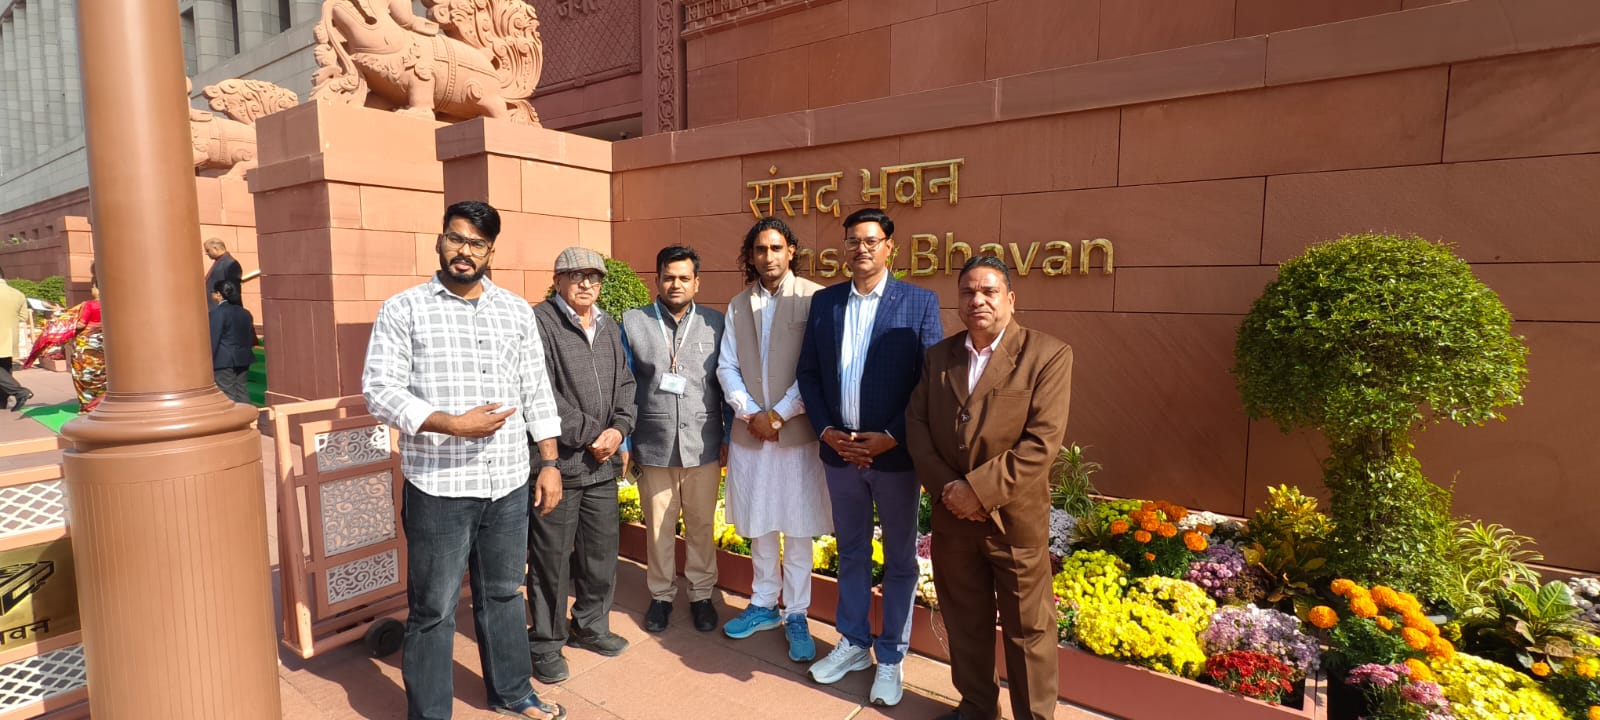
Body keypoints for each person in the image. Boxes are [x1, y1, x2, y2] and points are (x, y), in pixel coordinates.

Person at [362, 200, 567, 720]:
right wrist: (451, 424)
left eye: (477, 243)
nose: (465, 251)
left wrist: (549, 463)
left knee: (503, 593)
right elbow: (379, 390)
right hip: (440, 486)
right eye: (456, 238)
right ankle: (430, 712)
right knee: (433, 608)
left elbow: (536, 390)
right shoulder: (404, 309)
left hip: (507, 482)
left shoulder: (516, 311)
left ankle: (512, 692)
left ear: (490, 252)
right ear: (440, 240)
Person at [905, 256, 1073, 720]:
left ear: (1010, 299)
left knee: (1029, 632)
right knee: (964, 622)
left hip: (1012, 521)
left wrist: (977, 491)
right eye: (968, 292)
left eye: (989, 291)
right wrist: (949, 489)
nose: (977, 300)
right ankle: (977, 708)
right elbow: (917, 426)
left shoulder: (1047, 355)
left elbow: (1041, 442)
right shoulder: (939, 357)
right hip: (954, 519)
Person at [796, 207, 942, 706]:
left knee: (899, 559)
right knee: (852, 551)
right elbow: (809, 374)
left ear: (889, 247)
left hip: (894, 458)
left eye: (871, 240)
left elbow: (929, 383)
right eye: (853, 240)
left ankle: (892, 656)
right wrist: (827, 430)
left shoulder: (919, 303)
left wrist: (892, 436)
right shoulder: (826, 302)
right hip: (840, 453)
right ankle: (855, 643)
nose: (861, 248)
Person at [715, 217, 831, 662]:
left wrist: (779, 415)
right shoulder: (738, 304)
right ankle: (763, 603)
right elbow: (727, 365)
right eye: (760, 249)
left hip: (796, 434)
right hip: (751, 432)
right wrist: (750, 413)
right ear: (751, 256)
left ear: (791, 251)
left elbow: (816, 368)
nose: (768, 256)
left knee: (797, 526)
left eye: (776, 248)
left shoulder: (814, 298)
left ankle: (796, 612)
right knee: (760, 521)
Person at [527, 246, 637, 685]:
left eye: (594, 276)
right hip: (560, 463)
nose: (587, 283)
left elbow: (626, 384)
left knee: (600, 554)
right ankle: (546, 642)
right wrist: (594, 434)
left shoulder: (608, 324)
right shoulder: (540, 322)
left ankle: (590, 625)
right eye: (576, 275)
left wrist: (620, 429)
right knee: (551, 561)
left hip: (602, 465)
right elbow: (540, 392)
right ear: (558, 280)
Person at [619, 245, 727, 634]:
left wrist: (729, 437)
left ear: (697, 282)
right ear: (657, 280)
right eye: (668, 277)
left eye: (684, 278)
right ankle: (661, 596)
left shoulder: (716, 323)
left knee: (700, 526)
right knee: (659, 528)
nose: (676, 284)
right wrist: (625, 443)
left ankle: (701, 595)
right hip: (653, 444)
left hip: (703, 443)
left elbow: (726, 383)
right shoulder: (633, 322)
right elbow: (623, 385)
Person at [23, 270, 105, 414]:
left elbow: (81, 324)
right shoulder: (111, 304)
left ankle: (89, 406)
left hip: (87, 345)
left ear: (97, 289)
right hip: (103, 344)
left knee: (84, 374)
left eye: (93, 287)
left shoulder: (89, 305)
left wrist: (62, 319)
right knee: (102, 374)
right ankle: (103, 403)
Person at [208, 279, 257, 404]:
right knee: (242, 390)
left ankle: (236, 417)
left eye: (213, 292)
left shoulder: (217, 313)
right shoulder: (245, 313)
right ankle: (247, 415)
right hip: (243, 358)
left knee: (227, 393)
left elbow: (213, 338)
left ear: (219, 294)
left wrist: (208, 360)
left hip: (223, 360)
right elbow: (251, 337)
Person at [0, 268, 33, 411]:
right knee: (5, 367)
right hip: (10, 335)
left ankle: (20, 392)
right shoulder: (18, 294)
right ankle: (2, 403)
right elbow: (23, 317)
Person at [203, 238, 242, 310]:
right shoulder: (220, 261)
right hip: (215, 309)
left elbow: (232, 290)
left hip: (223, 310)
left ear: (215, 248)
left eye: (208, 250)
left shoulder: (230, 263)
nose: (206, 253)